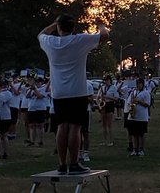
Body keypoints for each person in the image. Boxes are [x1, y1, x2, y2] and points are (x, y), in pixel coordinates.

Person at [38, 14, 108, 175]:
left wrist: (53, 24)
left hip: (58, 92)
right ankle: (74, 163)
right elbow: (104, 36)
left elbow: (41, 34)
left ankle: (62, 164)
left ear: (59, 27)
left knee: (62, 127)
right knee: (75, 128)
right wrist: (100, 24)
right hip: (77, 91)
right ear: (73, 28)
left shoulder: (51, 42)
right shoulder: (80, 40)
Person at [128, 75, 151, 156]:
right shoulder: (134, 92)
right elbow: (130, 102)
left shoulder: (146, 93)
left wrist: (139, 101)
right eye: (137, 84)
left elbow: (148, 104)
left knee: (141, 134)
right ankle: (135, 149)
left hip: (142, 117)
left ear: (142, 84)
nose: (138, 85)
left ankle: (141, 149)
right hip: (134, 116)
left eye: (140, 84)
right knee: (134, 134)